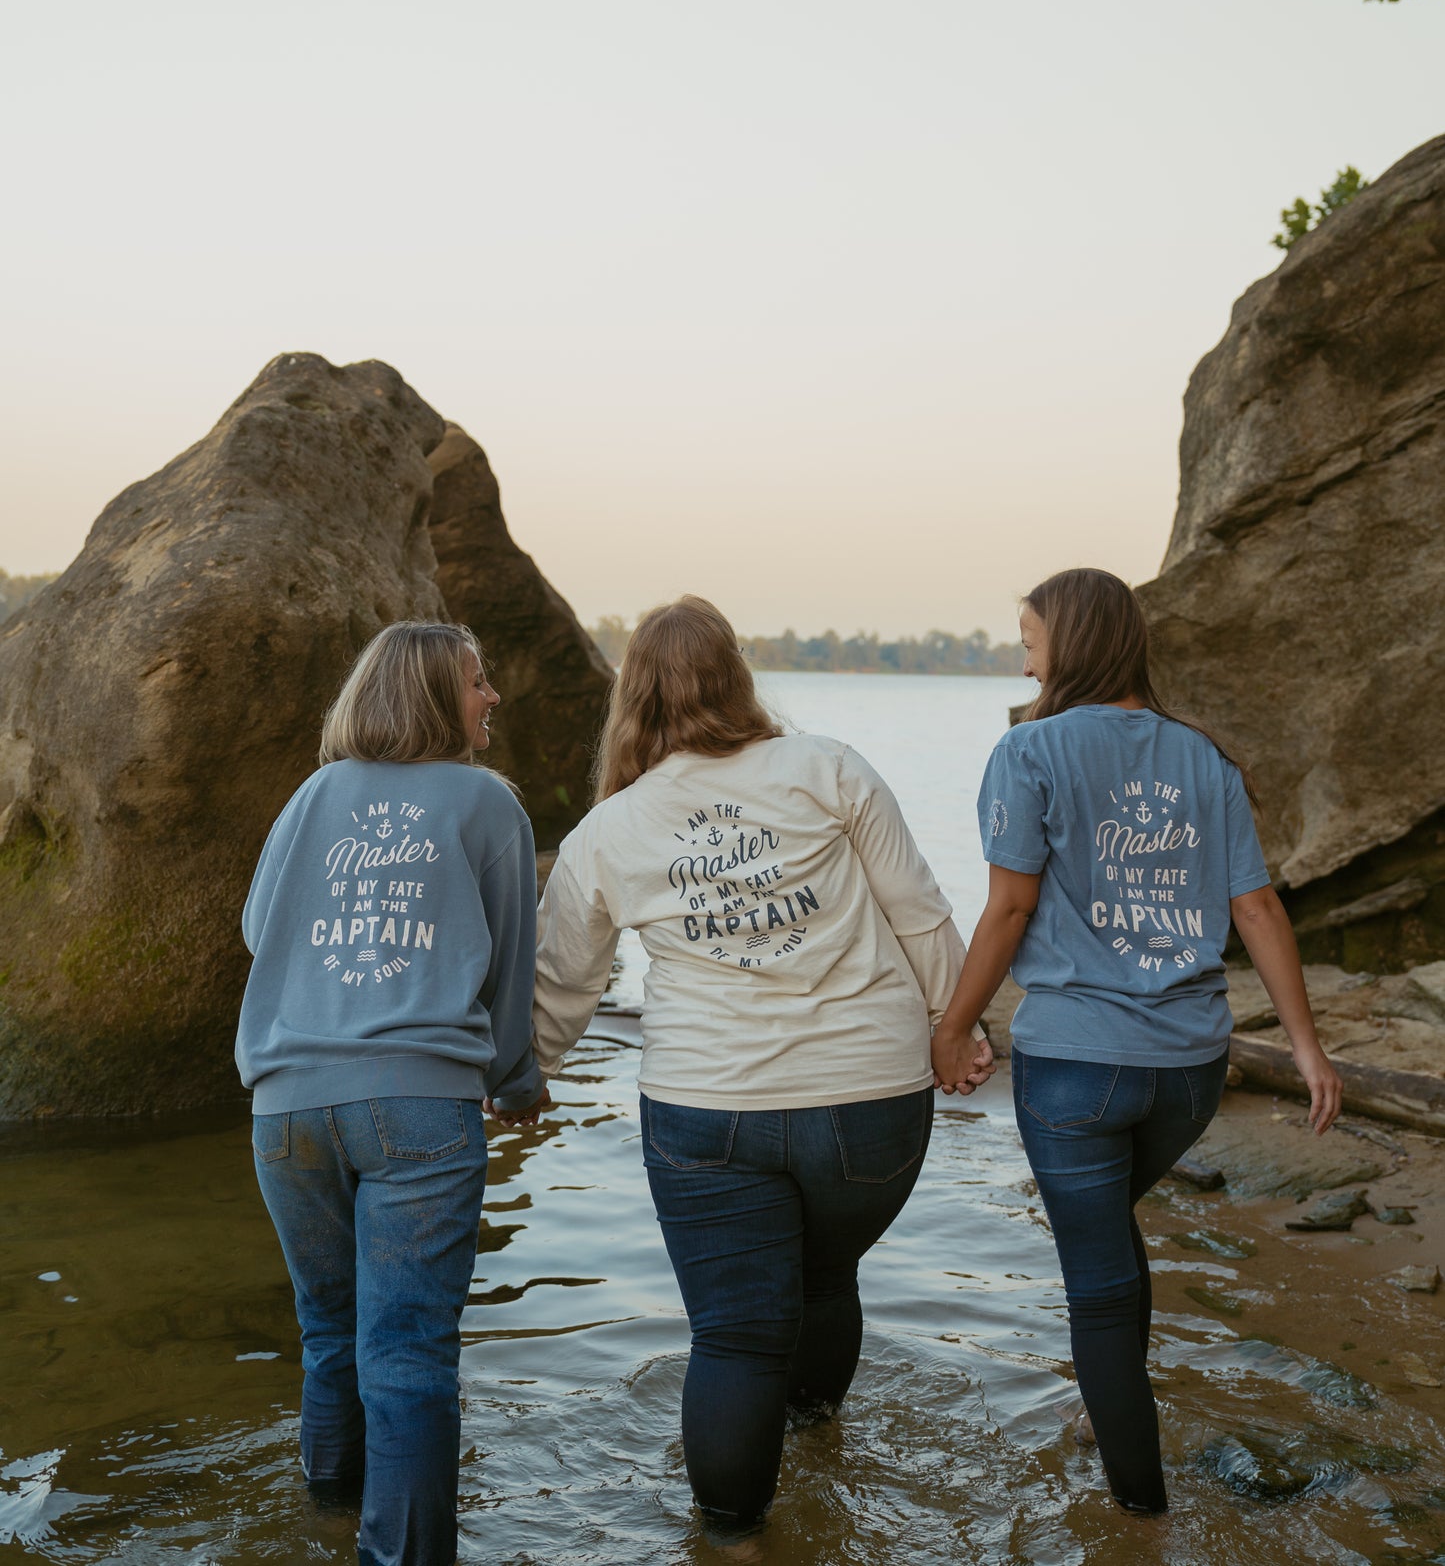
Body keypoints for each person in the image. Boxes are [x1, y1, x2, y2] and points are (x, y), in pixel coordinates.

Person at [531, 596, 991, 1530]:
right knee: (824, 1280)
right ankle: (823, 1456)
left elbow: (560, 987)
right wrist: (958, 1028)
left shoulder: (608, 830)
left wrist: (523, 1079)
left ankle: (734, 1548)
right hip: (871, 1105)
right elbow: (919, 913)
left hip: (708, 1115)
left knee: (735, 1337)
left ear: (631, 700)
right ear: (738, 675)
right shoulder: (827, 767)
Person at [929, 568, 1343, 1519]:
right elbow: (1255, 907)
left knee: (1098, 1286)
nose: (1022, 656)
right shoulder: (1204, 757)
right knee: (1109, 1240)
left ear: (1067, 644)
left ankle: (1138, 1515)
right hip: (1192, 1073)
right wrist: (1306, 1049)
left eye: (1029, 640)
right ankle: (1100, 1407)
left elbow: (1009, 905)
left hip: (1076, 1069)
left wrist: (953, 1027)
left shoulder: (1026, 750)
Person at [235, 621, 548, 1566]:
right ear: (428, 695)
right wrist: (516, 1082)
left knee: (330, 1335)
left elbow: (261, 931)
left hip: (286, 1107)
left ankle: (328, 1520)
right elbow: (509, 961)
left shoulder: (311, 795)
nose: (492, 696)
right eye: (477, 680)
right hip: (416, 1107)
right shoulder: (486, 803)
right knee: (408, 1354)